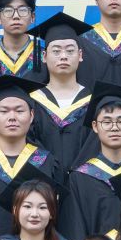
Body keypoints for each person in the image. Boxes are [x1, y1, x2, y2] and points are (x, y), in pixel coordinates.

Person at [0, 77, 65, 240]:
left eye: (19, 111)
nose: (12, 117)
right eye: (4, 111)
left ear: (31, 116)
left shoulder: (47, 163)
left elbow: (58, 217)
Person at [60, 83, 121, 240]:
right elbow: (75, 230)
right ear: (95, 126)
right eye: (106, 122)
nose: (114, 128)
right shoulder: (79, 179)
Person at [30, 11, 95, 165]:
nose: (63, 56)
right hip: (43, 177)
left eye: (70, 51)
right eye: (56, 51)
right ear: (44, 56)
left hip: (84, 178)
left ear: (80, 55)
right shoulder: (32, 101)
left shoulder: (94, 102)